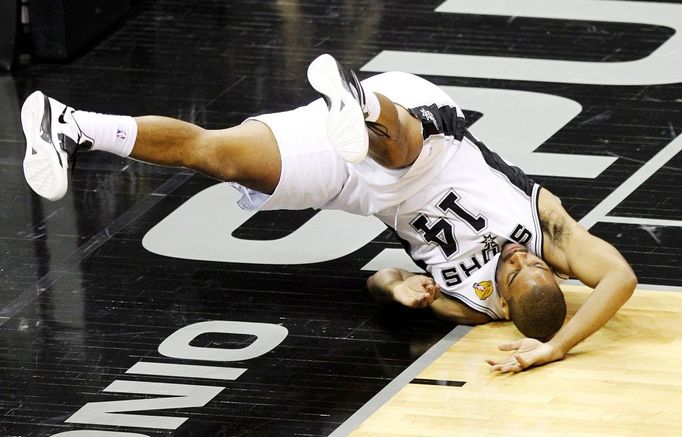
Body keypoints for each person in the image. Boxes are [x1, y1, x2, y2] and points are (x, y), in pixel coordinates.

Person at [20, 54, 637, 373]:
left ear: (503, 301)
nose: (517, 253)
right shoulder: (549, 230)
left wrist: (400, 292)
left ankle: (69, 124)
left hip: (357, 186)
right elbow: (619, 278)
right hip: (417, 129)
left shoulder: (473, 307)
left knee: (221, 156)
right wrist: (556, 347)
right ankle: (360, 100)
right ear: (553, 272)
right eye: (532, 262)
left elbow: (380, 281)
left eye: (513, 269)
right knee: (398, 156)